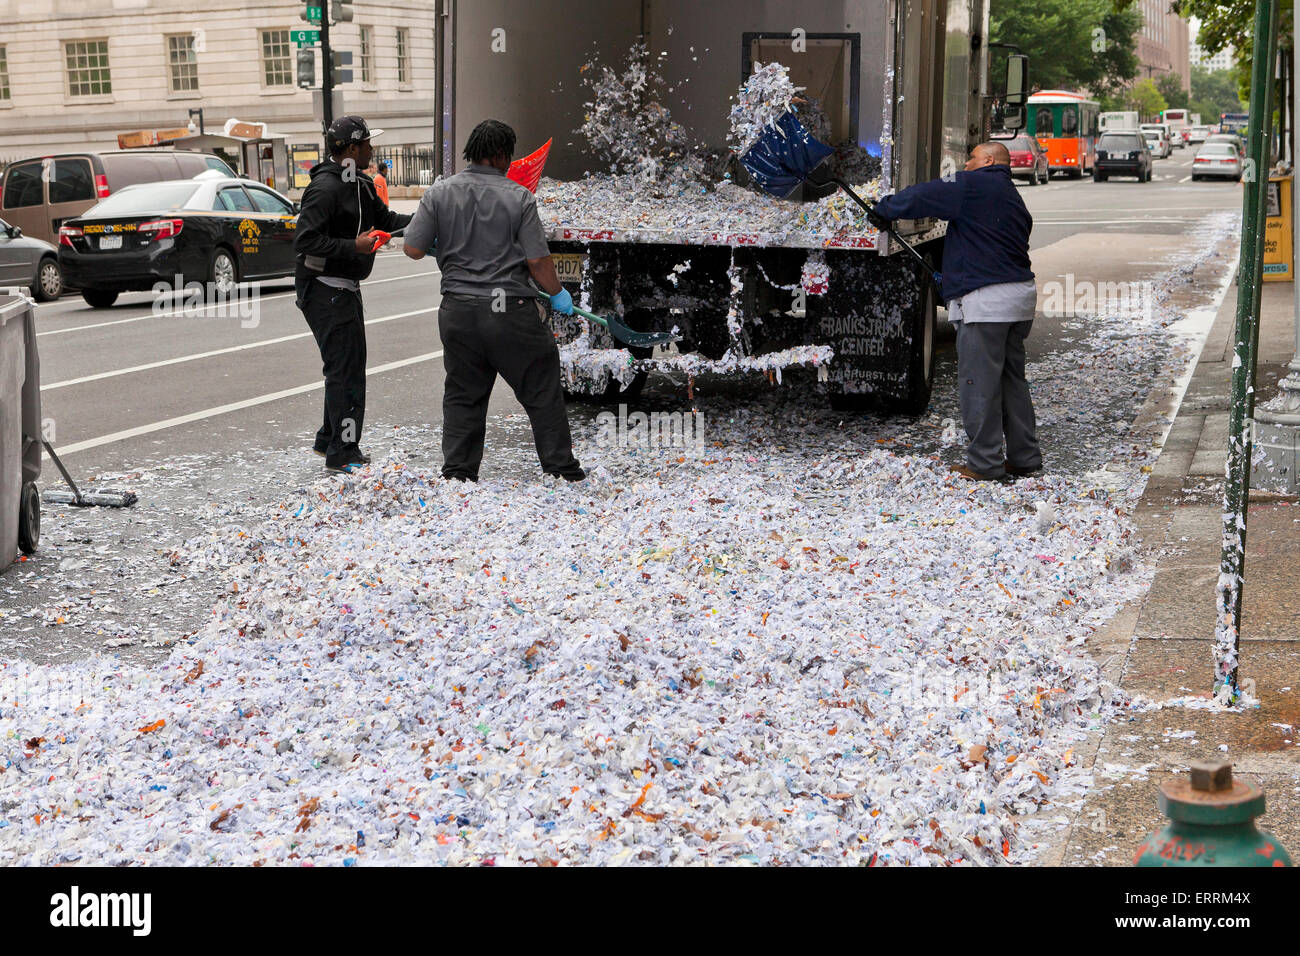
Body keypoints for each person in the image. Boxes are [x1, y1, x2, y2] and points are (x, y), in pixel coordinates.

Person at [403, 118, 584, 483]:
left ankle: (458, 472)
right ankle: (561, 469)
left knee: (463, 393)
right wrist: (558, 293)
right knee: (541, 387)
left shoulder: (438, 193)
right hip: (509, 313)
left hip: (458, 311)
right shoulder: (518, 197)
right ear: (501, 155)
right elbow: (537, 260)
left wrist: (444, 244)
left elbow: (412, 248)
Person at [873, 140, 1042, 482]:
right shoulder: (1011, 196)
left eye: (972, 158)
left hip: (987, 304)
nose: (965, 164)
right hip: (1019, 300)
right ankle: (1024, 456)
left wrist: (886, 209)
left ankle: (984, 464)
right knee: (1012, 382)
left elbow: (927, 194)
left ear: (990, 160)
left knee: (978, 385)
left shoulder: (973, 184)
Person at [294, 115, 411, 474]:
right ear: (349, 150)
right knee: (346, 372)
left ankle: (328, 437)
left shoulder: (359, 185)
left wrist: (429, 220)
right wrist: (353, 246)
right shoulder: (324, 189)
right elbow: (306, 240)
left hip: (344, 288)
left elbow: (387, 220)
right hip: (324, 289)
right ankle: (343, 451)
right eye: (366, 144)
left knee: (345, 367)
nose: (371, 150)